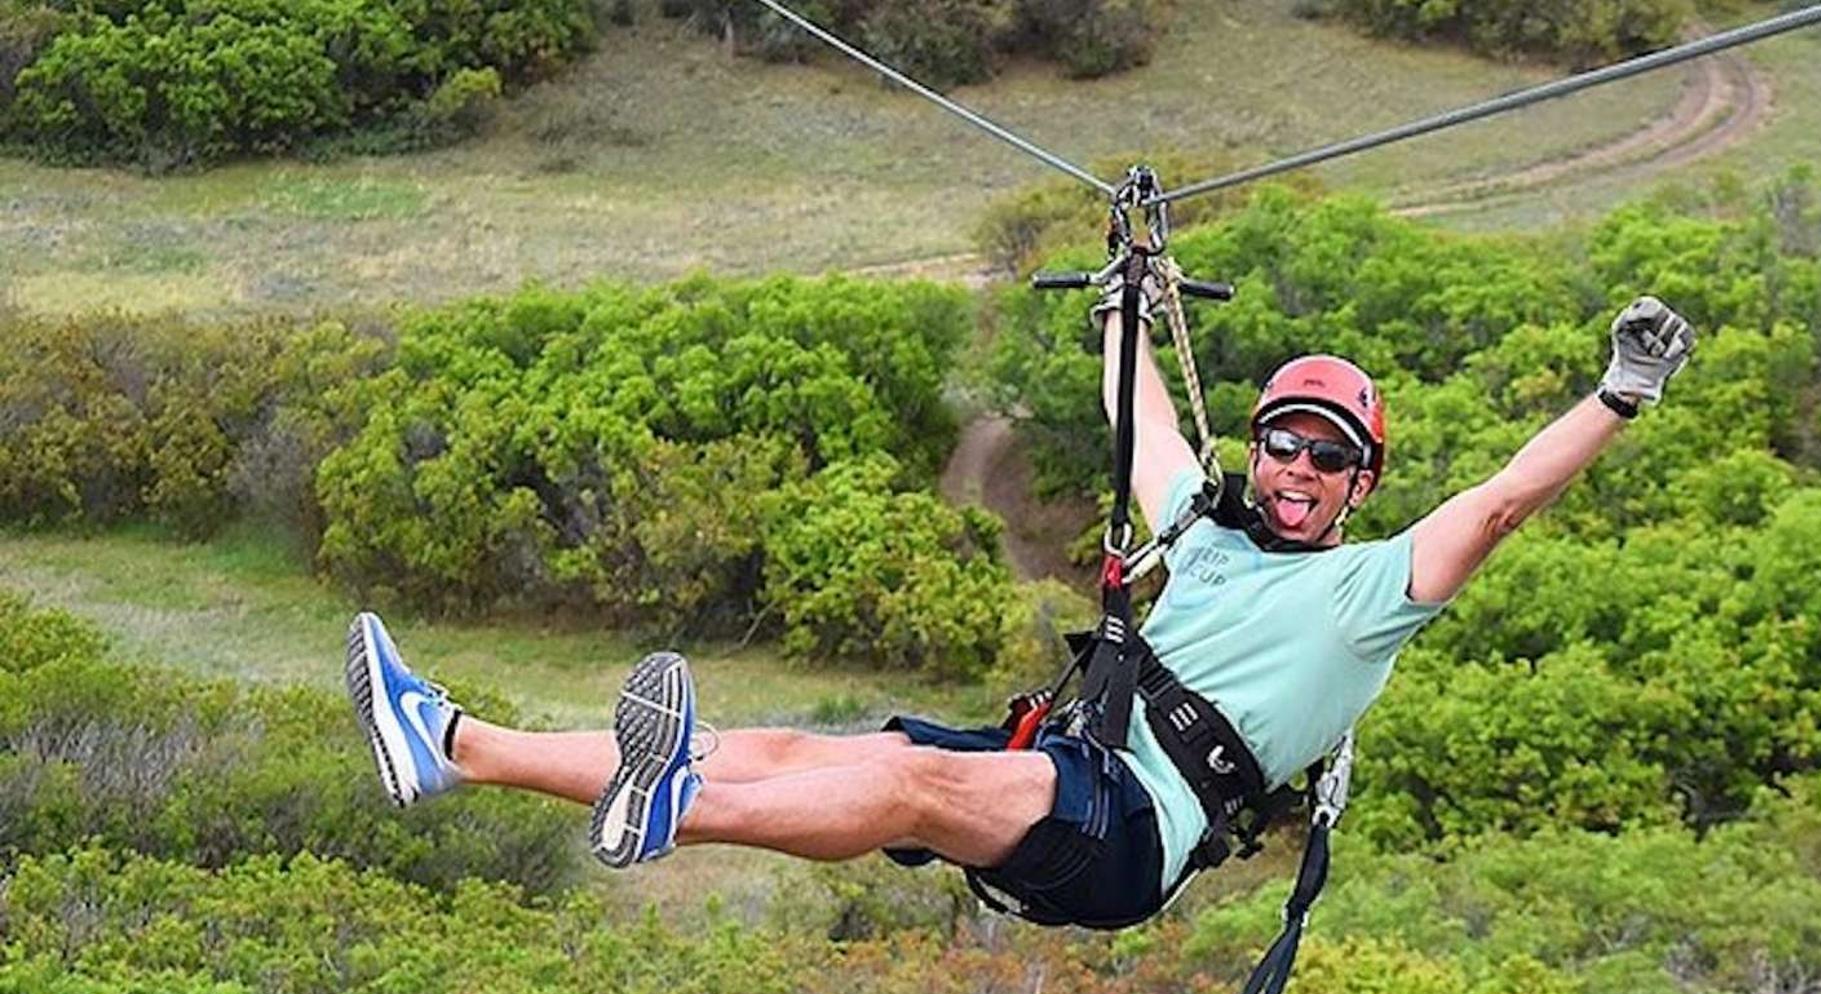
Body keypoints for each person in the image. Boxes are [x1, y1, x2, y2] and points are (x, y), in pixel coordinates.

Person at [346, 289, 1696, 928]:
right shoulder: (1208, 536)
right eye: (1283, 442)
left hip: (1134, 827)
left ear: (1361, 484)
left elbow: (1501, 503)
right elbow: (1140, 417)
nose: (1295, 467)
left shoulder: (1366, 594)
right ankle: (453, 746)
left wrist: (1617, 397)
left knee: (909, 788)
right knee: (809, 751)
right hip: (1063, 762)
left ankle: (670, 811)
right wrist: (1125, 306)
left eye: (1325, 457)